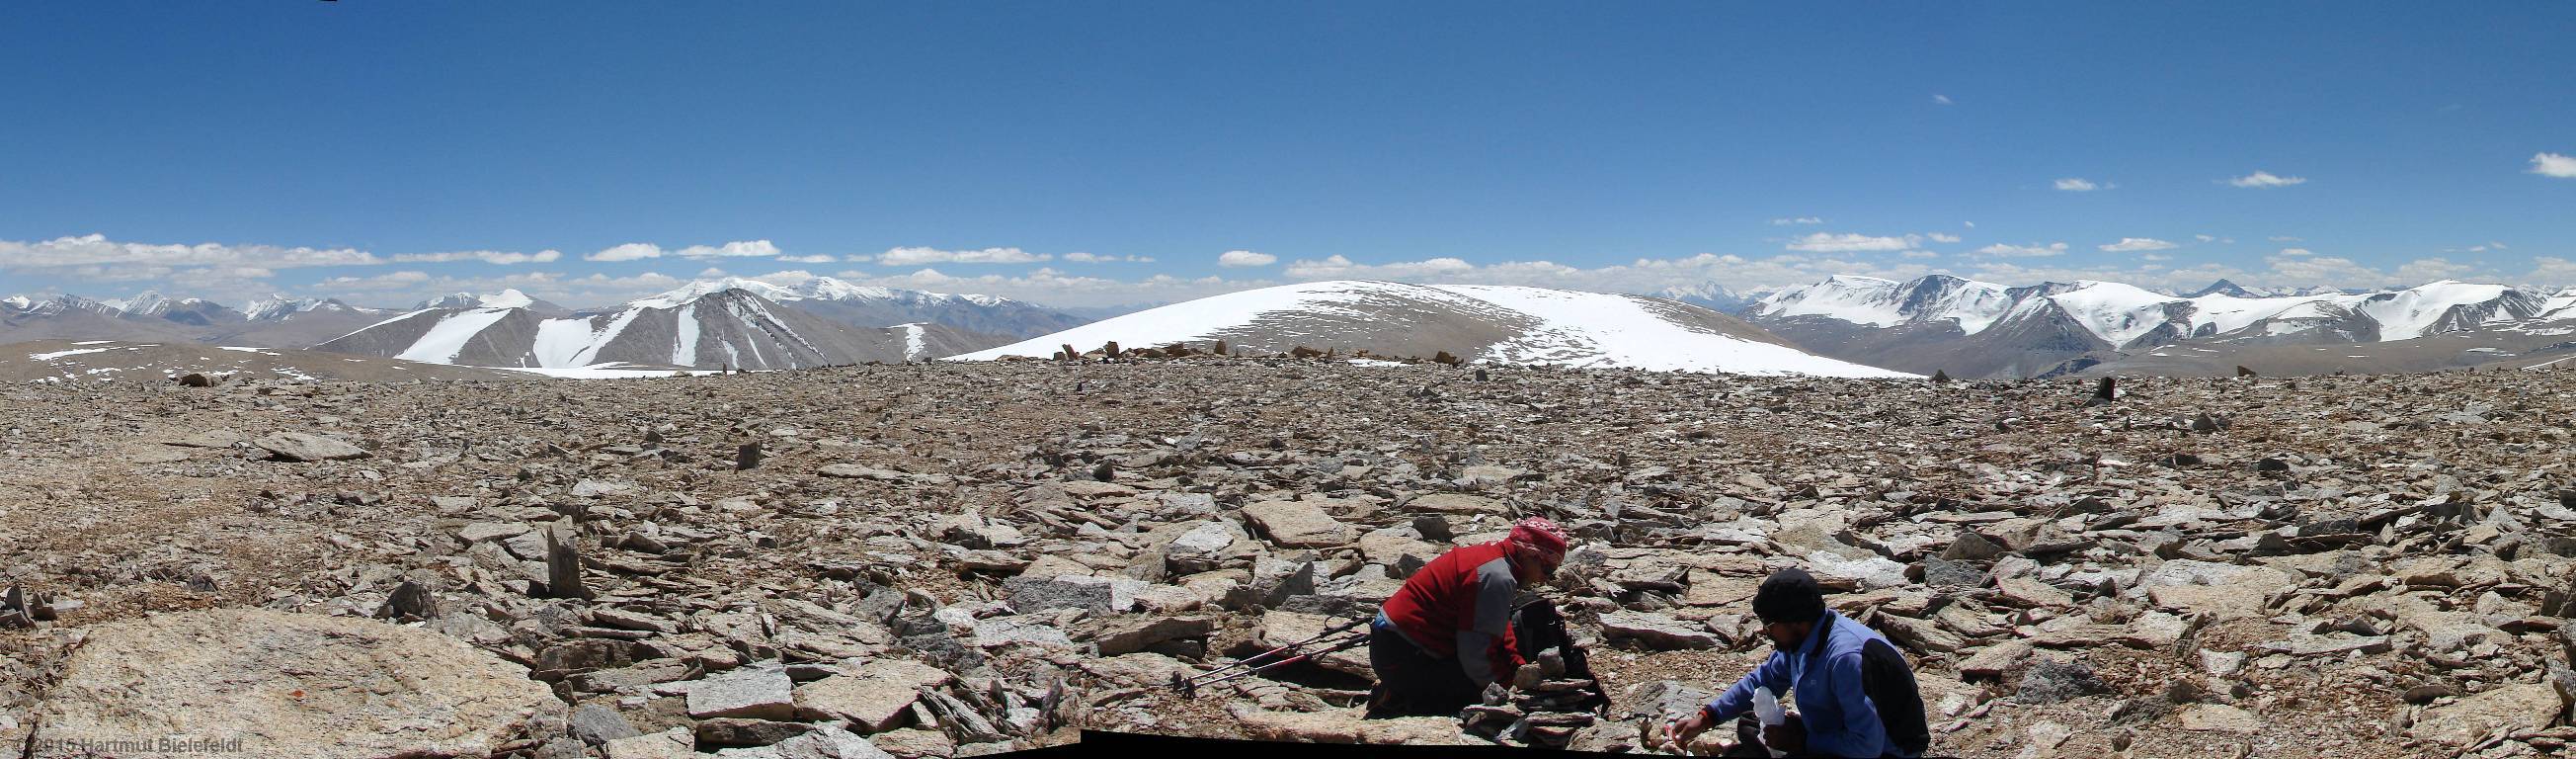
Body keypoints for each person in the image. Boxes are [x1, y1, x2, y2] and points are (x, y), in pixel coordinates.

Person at [1660, 568, 1929, 758]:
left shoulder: (1845, 659)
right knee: (1751, 724)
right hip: (1839, 730)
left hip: (1887, 750)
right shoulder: (1801, 641)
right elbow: (1763, 680)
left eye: (1770, 624)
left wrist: (1802, 741)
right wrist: (1707, 717)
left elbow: (1866, 746)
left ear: (1797, 622)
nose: (1765, 631)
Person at [1364, 516, 1570, 718]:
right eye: (1548, 569)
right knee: (1473, 695)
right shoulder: (1497, 577)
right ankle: (1404, 695)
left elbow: (1499, 624)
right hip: (1402, 658)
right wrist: (1506, 688)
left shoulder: (1495, 559)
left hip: (1397, 644)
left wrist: (1517, 665)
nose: (1546, 579)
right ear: (1530, 554)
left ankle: (1405, 688)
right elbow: (1476, 654)